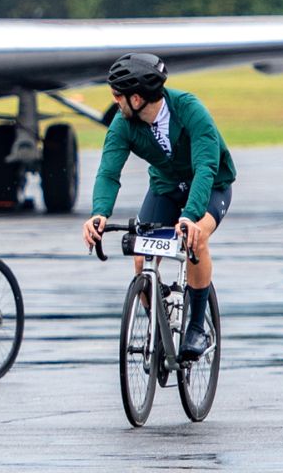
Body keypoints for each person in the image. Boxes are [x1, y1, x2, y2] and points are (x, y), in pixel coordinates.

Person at [82, 53, 236, 361]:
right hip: (165, 188)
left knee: (196, 239)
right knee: (141, 258)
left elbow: (206, 166)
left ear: (137, 98)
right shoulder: (123, 123)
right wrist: (99, 213)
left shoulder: (189, 110)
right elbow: (109, 171)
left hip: (210, 184)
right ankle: (162, 317)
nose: (114, 100)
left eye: (117, 95)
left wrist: (190, 217)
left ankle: (195, 327)